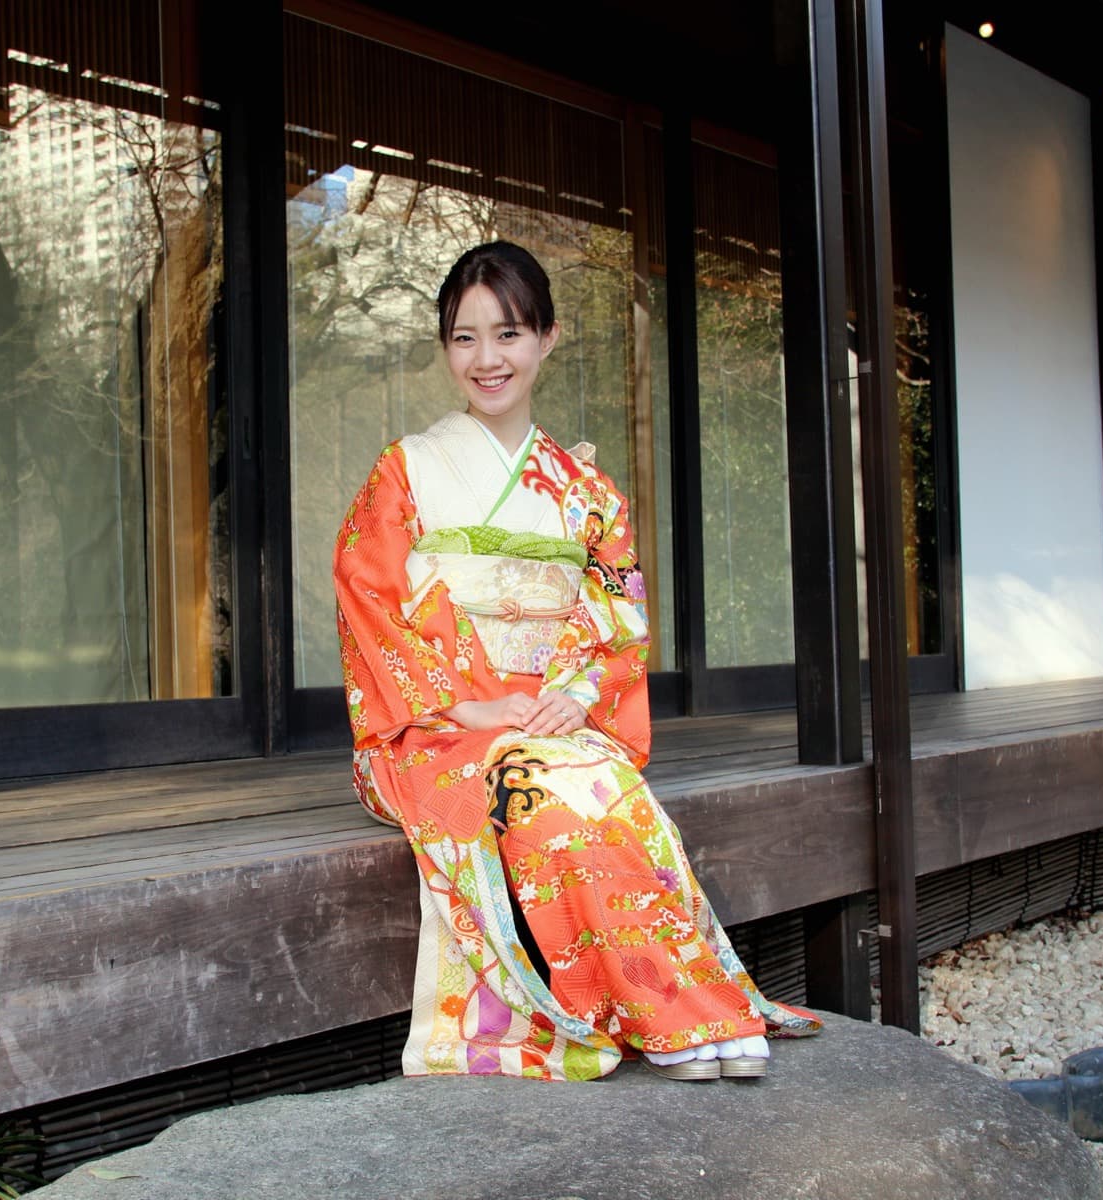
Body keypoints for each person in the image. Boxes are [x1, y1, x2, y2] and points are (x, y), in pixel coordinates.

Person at [333, 241, 821, 1082]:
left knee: (617, 798)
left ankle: (679, 1004)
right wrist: (465, 707)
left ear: (548, 338)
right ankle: (675, 1015)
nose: (487, 359)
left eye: (509, 334)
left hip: (552, 722)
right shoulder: (404, 469)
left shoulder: (590, 492)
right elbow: (366, 596)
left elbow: (620, 609)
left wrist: (580, 691)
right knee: (550, 800)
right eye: (463, 338)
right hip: (435, 729)